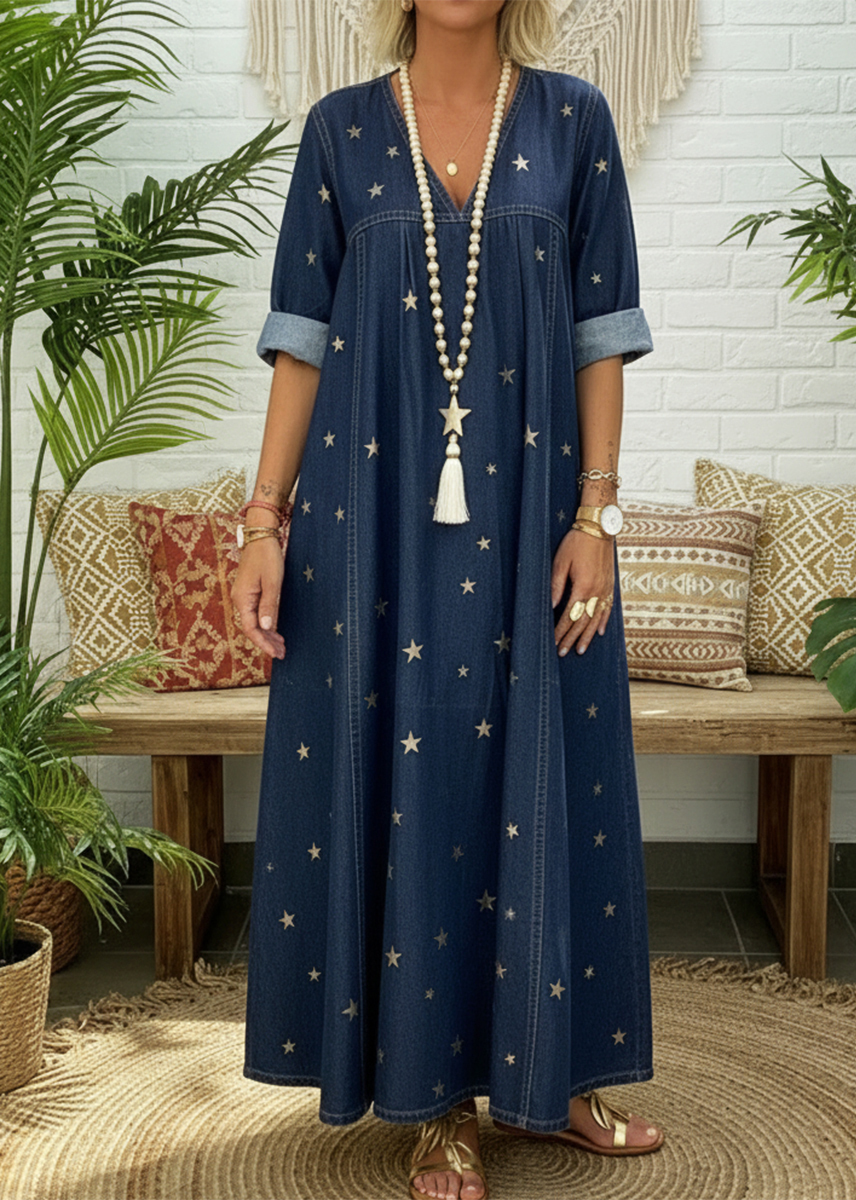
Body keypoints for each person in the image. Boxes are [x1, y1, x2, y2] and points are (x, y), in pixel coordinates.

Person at [232, 1, 663, 1196]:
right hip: (370, 530)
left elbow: (602, 332)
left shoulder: (574, 121)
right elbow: (301, 341)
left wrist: (597, 515)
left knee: (551, 775)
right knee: (413, 781)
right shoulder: (340, 131)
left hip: (536, 523)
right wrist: (262, 522)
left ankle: (555, 1075)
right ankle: (439, 1102)